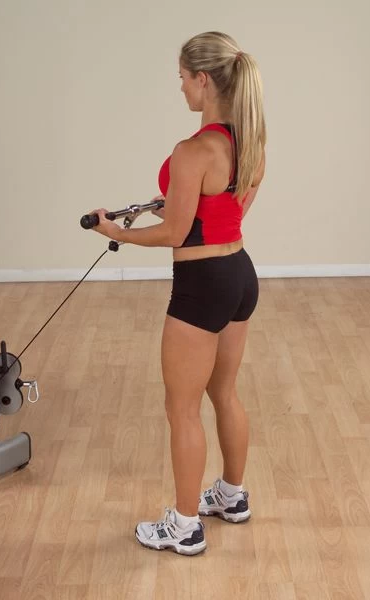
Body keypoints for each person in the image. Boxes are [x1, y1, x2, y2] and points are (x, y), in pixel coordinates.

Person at [89, 31, 266, 555]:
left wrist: (116, 232)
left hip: (202, 285)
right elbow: (225, 214)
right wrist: (174, 204)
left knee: (182, 407)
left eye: (184, 78)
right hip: (239, 274)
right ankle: (231, 496)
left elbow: (176, 234)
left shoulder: (193, 150)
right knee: (224, 393)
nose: (181, 87)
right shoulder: (250, 142)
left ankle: (184, 526)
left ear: (204, 80)